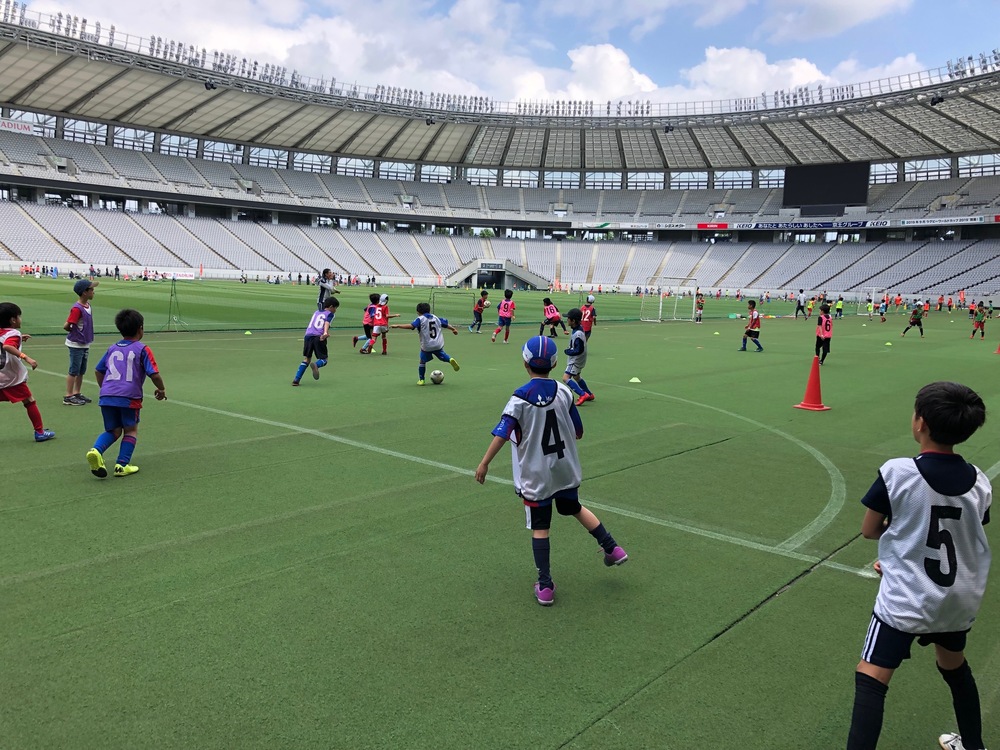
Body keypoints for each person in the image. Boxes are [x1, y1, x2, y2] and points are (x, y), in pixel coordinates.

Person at [845, 382, 990, 750]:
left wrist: (898, 554)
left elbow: (870, 530)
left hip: (907, 599)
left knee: (872, 676)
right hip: (956, 601)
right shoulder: (980, 482)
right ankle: (974, 745)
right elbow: (958, 535)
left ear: (920, 422)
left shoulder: (898, 472)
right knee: (954, 667)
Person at [474, 335, 627, 607]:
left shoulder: (519, 398)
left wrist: (484, 463)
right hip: (564, 469)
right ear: (555, 364)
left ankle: (545, 586)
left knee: (540, 527)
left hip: (537, 475)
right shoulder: (565, 391)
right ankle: (612, 547)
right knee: (574, 507)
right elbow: (578, 430)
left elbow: (502, 433)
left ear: (525, 362)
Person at [85, 309, 166, 478]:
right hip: (129, 397)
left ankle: (96, 451)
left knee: (113, 430)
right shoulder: (142, 349)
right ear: (140, 328)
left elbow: (99, 370)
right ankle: (122, 465)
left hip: (107, 396)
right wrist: (161, 389)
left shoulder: (112, 348)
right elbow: (154, 374)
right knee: (130, 430)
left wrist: (105, 389)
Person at [0, 302, 55, 442]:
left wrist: (19, 339)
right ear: (13, 320)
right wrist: (26, 357)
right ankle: (39, 432)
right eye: (19, 316)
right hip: (11, 378)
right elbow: (7, 346)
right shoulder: (14, 334)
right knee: (29, 401)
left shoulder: (6, 333)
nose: (20, 319)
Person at [390, 302, 460, 385]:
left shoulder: (420, 319)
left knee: (422, 361)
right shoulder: (436, 317)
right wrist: (453, 329)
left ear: (418, 312)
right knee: (441, 354)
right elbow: (446, 324)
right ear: (429, 310)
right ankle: (449, 359)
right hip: (438, 344)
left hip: (427, 345)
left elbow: (411, 326)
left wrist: (398, 325)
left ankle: (422, 380)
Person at [62, 278, 99, 406]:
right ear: (84, 292)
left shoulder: (88, 306)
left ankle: (77, 392)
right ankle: (68, 395)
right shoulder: (77, 309)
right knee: (74, 370)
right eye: (91, 289)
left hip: (84, 342)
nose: (93, 292)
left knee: (81, 370)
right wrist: (74, 331)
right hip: (76, 343)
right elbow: (67, 325)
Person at [293, 297, 339, 386]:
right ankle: (316, 365)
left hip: (307, 336)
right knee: (324, 359)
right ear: (331, 306)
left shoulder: (316, 312)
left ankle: (296, 380)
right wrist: (325, 332)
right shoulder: (330, 314)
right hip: (319, 337)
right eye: (335, 308)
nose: (335, 310)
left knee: (307, 359)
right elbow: (326, 323)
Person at [562, 309, 594, 406]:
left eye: (568, 318)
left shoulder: (578, 333)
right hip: (580, 359)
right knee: (576, 376)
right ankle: (589, 394)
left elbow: (578, 350)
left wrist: (568, 351)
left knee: (565, 378)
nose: (567, 320)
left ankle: (583, 394)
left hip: (575, 360)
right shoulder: (578, 329)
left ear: (573, 321)